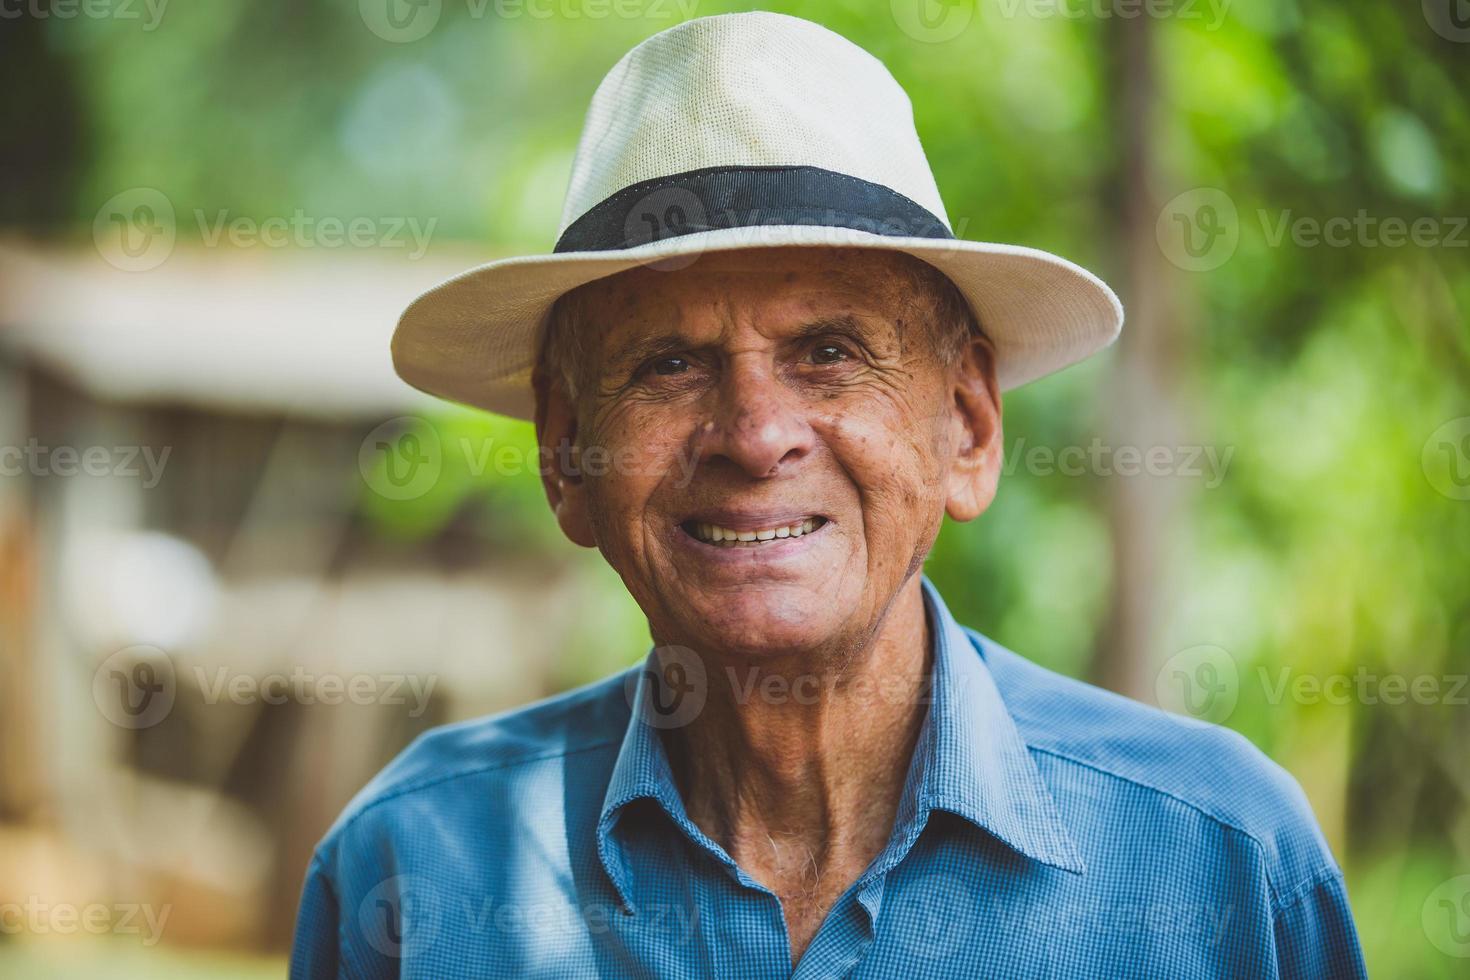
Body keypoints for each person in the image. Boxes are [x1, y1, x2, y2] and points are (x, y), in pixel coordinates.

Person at [290, 12, 1365, 978]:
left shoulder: (1220, 864)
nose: (756, 435)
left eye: (832, 351)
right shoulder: (412, 871)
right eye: (668, 363)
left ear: (968, 427)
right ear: (566, 453)